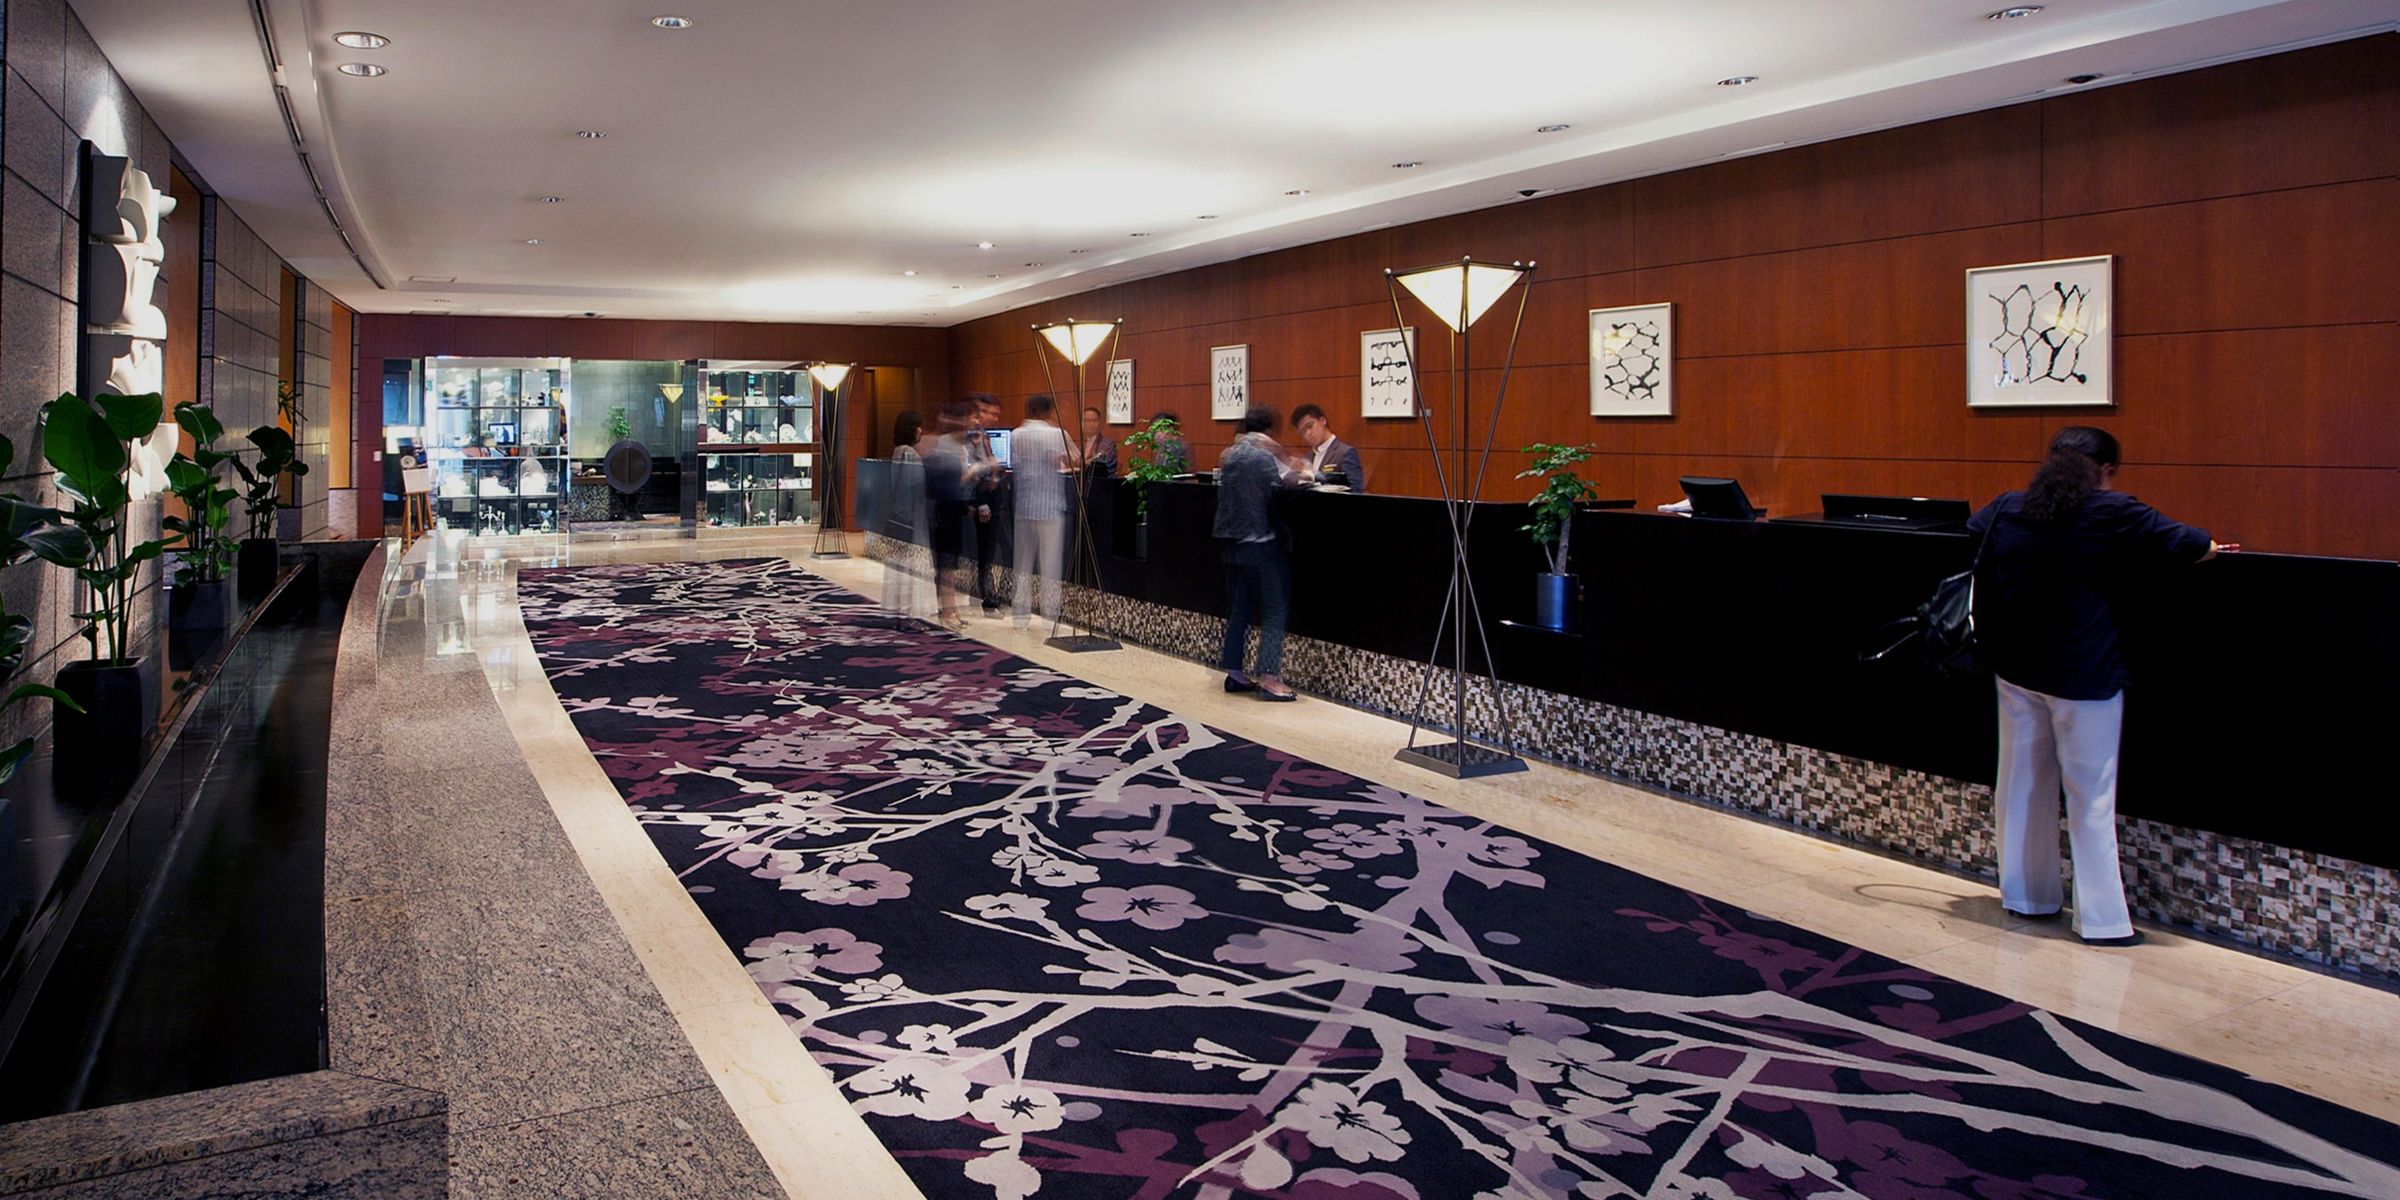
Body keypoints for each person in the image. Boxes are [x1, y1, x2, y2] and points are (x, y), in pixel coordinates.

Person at [1968, 426, 2235, 948]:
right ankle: (2102, 921)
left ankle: (2026, 897)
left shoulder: (2008, 506)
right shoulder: (2112, 511)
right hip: (2084, 674)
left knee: (2020, 784)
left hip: (2017, 668)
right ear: (2106, 471)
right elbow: (2193, 544)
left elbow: (1973, 532)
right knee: (2090, 796)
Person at [1214, 406, 1304, 701]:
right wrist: (1292, 462)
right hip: (1258, 542)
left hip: (1230, 542)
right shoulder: (1264, 456)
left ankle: (1234, 674)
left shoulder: (1229, 454)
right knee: (1275, 608)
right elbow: (1286, 483)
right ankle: (1269, 678)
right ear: (1268, 429)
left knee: (1239, 607)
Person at [1011, 396, 1071, 628]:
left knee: (1022, 565)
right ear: (1047, 411)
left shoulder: (1016, 435)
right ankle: (1049, 618)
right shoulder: (1057, 434)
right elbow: (1074, 459)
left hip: (1024, 506)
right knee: (1050, 566)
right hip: (1050, 506)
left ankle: (1020, 617)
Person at [922, 401, 977, 628]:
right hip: (943, 510)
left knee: (948, 563)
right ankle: (948, 610)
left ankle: (949, 608)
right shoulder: (942, 445)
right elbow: (950, 482)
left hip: (951, 508)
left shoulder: (958, 446)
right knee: (946, 563)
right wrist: (974, 472)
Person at [881, 410, 935, 619]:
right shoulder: (911, 454)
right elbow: (915, 487)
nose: (921, 430)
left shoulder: (897, 451)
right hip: (912, 516)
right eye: (919, 426)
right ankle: (912, 607)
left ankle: (896, 605)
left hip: (898, 515)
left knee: (898, 562)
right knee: (913, 562)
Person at [964, 393, 1007, 614]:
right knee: (984, 550)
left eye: (997, 414)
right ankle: (987, 596)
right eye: (989, 413)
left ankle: (982, 592)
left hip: (990, 496)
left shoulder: (982, 434)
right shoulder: (972, 435)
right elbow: (972, 470)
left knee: (987, 550)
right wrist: (981, 503)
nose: (994, 418)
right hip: (983, 498)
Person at [1291, 404, 1364, 492]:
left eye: (1310, 426)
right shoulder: (1307, 458)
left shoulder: (1345, 453)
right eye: (1303, 431)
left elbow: (1356, 491)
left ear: (1322, 421)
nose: (1308, 433)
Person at [1074, 405, 1118, 476]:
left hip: (1099, 481)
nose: (1091, 424)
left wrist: (1081, 462)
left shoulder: (1108, 444)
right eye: (1087, 421)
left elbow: (1103, 465)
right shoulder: (1078, 445)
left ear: (1099, 423)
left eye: (1094, 421)